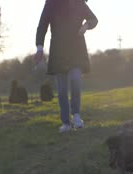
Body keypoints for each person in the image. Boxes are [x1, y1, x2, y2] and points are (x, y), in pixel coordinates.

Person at [34, 0, 98, 133]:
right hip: (58, 50)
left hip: (76, 49)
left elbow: (94, 19)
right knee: (62, 89)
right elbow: (42, 26)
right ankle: (66, 123)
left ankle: (76, 116)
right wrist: (39, 48)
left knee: (75, 79)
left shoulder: (79, 3)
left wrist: (86, 25)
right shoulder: (50, 4)